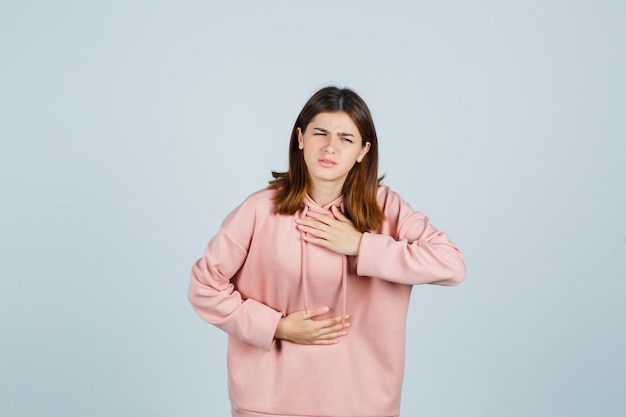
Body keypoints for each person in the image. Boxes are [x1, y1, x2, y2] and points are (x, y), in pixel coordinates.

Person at [188, 86, 465, 417]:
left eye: (346, 138)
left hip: (363, 403)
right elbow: (204, 287)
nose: (330, 146)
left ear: (363, 151)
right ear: (301, 138)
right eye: (320, 132)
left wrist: (361, 245)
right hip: (268, 402)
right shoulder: (259, 210)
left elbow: (451, 265)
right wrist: (276, 326)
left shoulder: (386, 208)